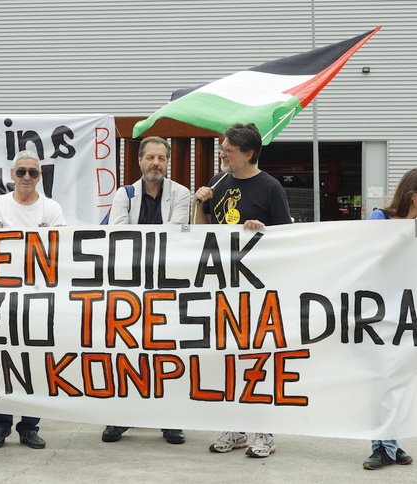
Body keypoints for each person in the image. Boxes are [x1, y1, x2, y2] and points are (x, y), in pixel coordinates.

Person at [192, 123, 292, 458]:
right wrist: (198, 204)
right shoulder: (218, 182)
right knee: (228, 358)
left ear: (247, 154)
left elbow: (288, 239)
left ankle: (265, 431)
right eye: (221, 148)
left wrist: (263, 230)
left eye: (228, 150)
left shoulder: (270, 187)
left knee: (259, 358)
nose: (222, 154)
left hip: (259, 289)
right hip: (223, 286)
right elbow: (201, 237)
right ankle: (236, 427)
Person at [102, 136, 190, 446]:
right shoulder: (123, 194)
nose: (156, 163)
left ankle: (170, 420)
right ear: (139, 161)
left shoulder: (181, 193)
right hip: (130, 286)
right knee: (127, 352)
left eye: (161, 158)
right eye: (150, 157)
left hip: (168, 286)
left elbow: (177, 235)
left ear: (168, 163)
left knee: (168, 352)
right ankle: (122, 417)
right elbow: (118, 234)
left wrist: (140, 238)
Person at [0, 150, 65, 449]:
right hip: (2, 294)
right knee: (0, 360)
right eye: (22, 172)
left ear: (40, 176)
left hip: (39, 294)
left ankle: (29, 426)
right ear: (12, 175)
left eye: (33, 172)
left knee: (35, 362)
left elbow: (57, 251)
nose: (27, 177)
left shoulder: (52, 208)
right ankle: (1, 425)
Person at [362, 168, 417, 470]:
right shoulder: (380, 219)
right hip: (379, 314)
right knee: (381, 380)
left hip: (407, 315)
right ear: (414, 196)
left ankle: (391, 445)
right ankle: (381, 446)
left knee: (399, 381)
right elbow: (372, 258)